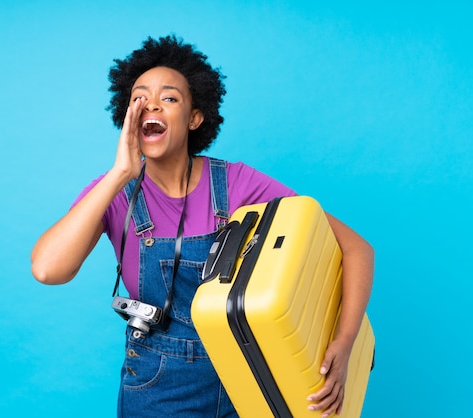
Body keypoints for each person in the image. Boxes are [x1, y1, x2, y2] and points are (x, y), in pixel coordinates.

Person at [31, 35, 373, 418]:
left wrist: (344, 345)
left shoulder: (237, 184)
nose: (152, 104)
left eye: (170, 97)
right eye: (139, 98)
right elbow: (47, 269)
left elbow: (356, 248)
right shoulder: (113, 192)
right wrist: (120, 174)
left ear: (195, 117)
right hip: (157, 387)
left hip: (248, 376)